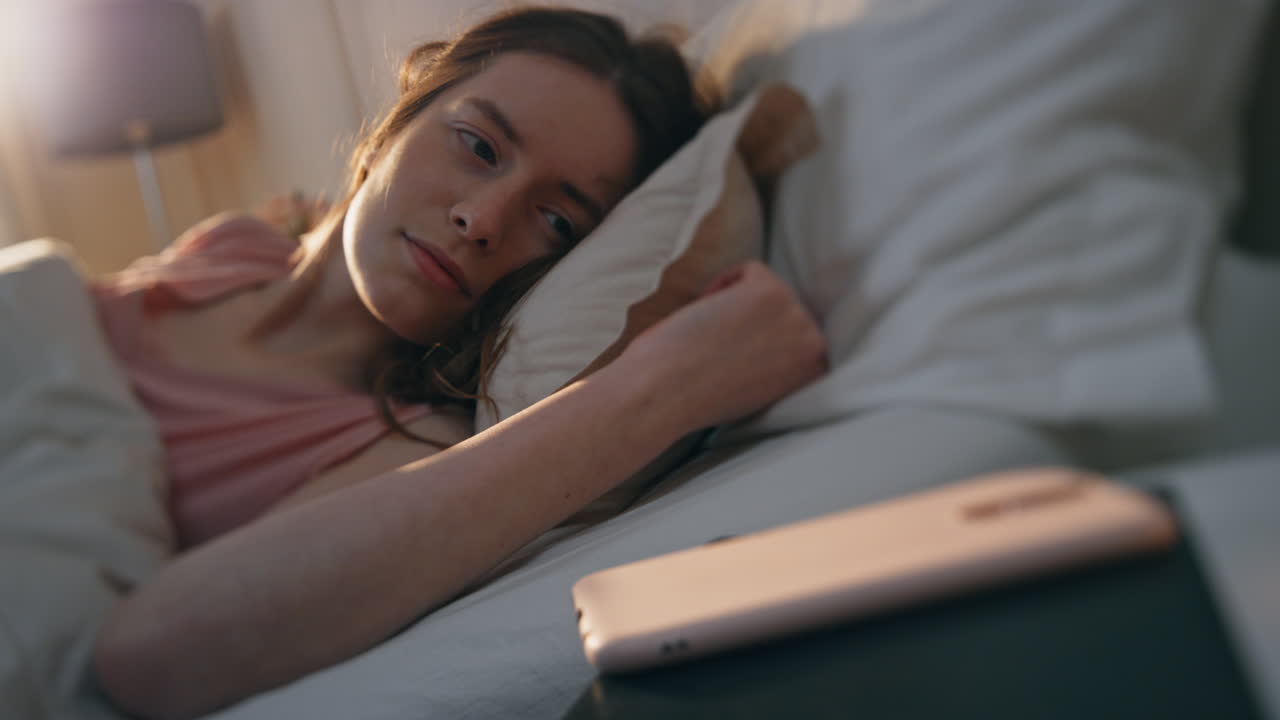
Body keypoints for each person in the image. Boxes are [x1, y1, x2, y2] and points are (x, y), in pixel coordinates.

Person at [89, 6, 827, 719]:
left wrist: (662, 386)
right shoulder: (235, 248)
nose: (483, 219)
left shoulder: (412, 442)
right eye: (477, 146)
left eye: (558, 220)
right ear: (391, 128)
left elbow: (150, 653)